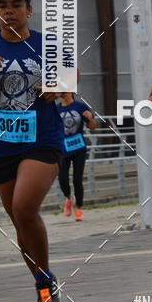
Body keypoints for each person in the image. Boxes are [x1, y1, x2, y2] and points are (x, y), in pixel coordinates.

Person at [0, 0, 64, 302]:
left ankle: (44, 279)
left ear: (29, 11)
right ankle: (43, 282)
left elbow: (71, 77)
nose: (9, 10)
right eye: (3, 6)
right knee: (19, 220)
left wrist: (59, 86)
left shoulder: (48, 44)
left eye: (16, 5)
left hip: (43, 139)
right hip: (3, 144)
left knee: (25, 208)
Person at [57, 92, 96, 221]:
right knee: (62, 179)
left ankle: (79, 208)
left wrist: (90, 119)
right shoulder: (56, 108)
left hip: (78, 147)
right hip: (62, 149)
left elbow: (93, 128)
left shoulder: (80, 107)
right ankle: (69, 198)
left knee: (77, 179)